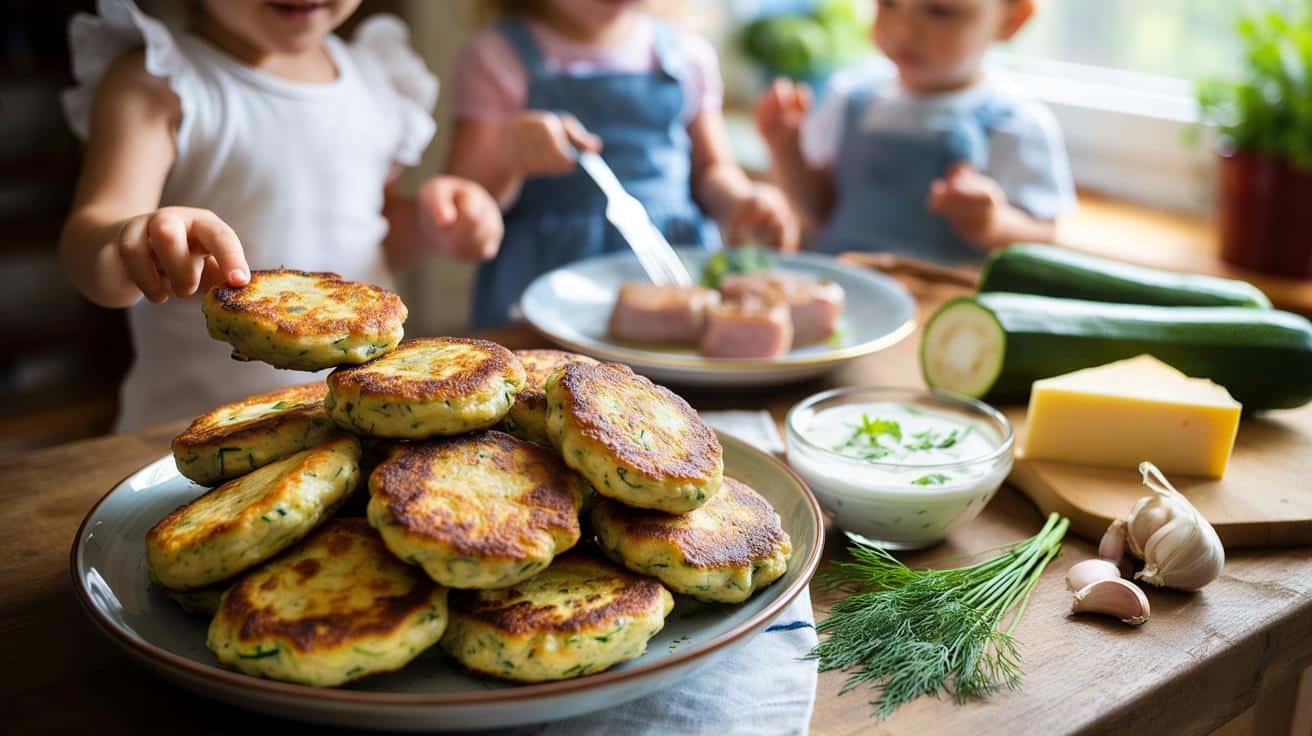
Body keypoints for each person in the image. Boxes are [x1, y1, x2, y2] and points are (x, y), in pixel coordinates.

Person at [60, 0, 503, 431]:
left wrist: (435, 227)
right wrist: (135, 241)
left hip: (351, 422)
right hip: (190, 432)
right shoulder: (159, 81)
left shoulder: (377, 78)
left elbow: (376, 241)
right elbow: (93, 242)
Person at [448, 0, 800, 330]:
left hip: (671, 272)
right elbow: (463, 198)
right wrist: (507, 154)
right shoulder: (498, 57)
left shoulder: (685, 54)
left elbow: (710, 169)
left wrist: (741, 202)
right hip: (543, 287)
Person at [756, 0, 1075, 262]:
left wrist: (994, 224)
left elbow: (1043, 233)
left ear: (1012, 20)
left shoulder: (1016, 124)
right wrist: (786, 148)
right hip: (842, 299)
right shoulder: (849, 99)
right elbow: (817, 211)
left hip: (933, 313)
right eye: (889, 4)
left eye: (940, 11)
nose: (903, 31)